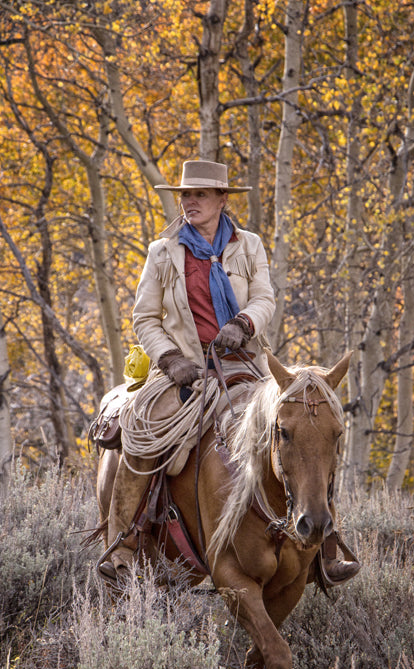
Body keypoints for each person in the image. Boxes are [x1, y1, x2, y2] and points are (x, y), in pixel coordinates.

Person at [100, 160, 359, 586]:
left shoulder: (249, 245)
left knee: (309, 428)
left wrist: (242, 325)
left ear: (223, 199)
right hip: (183, 369)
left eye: (200, 194)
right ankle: (123, 543)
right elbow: (145, 318)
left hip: (246, 363)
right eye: (185, 195)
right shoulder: (163, 252)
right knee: (141, 426)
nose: (189, 202)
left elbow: (265, 299)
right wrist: (169, 359)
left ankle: (325, 548)